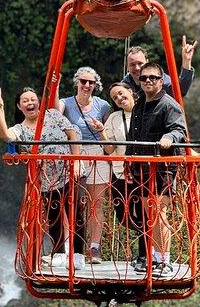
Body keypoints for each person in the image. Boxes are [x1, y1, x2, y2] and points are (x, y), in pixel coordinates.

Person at [0, 86, 86, 270]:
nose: (30, 103)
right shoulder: (20, 129)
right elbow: (5, 135)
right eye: (25, 101)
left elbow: (72, 134)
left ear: (39, 102)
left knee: (77, 214)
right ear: (19, 107)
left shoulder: (52, 114)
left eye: (33, 99)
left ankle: (78, 254)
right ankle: (58, 253)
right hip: (45, 180)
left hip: (69, 172)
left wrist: (76, 161)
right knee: (54, 217)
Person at [125, 62, 187, 278]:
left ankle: (164, 260)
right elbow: (132, 136)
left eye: (152, 77)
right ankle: (151, 257)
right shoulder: (139, 105)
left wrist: (169, 138)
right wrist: (129, 161)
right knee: (146, 213)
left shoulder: (168, 104)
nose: (148, 81)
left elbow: (179, 129)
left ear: (161, 81)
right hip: (140, 167)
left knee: (159, 213)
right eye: (144, 78)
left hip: (163, 167)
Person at [55, 67, 111, 264]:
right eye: (83, 81)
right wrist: (55, 86)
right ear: (77, 82)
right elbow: (54, 112)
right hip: (74, 155)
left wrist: (101, 129)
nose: (87, 85)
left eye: (91, 82)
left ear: (96, 85)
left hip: (97, 154)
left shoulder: (103, 106)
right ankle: (72, 248)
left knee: (96, 203)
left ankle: (94, 248)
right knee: (74, 204)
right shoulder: (66, 103)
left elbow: (108, 133)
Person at [90, 83, 147, 272]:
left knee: (143, 213)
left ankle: (144, 255)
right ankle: (147, 237)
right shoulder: (114, 118)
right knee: (123, 215)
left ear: (130, 92)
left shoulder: (146, 111)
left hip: (142, 173)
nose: (119, 98)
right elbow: (108, 149)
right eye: (115, 97)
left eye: (121, 93)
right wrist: (101, 131)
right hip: (120, 173)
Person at [122, 36, 197, 99]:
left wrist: (186, 61)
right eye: (132, 65)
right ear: (127, 67)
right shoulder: (126, 84)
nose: (137, 68)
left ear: (147, 63)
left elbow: (180, 91)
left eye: (140, 63)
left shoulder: (157, 78)